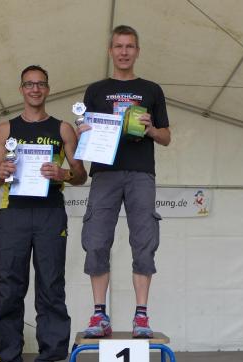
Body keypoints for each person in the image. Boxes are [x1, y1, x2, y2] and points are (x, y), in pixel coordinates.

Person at [0, 65, 88, 362]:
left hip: (49, 215)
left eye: (40, 84)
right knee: (9, 288)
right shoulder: (6, 128)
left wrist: (63, 174)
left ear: (47, 89)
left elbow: (81, 174)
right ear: (21, 89)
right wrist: (0, 171)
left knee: (51, 287)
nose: (35, 89)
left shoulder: (63, 129)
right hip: (12, 214)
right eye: (29, 84)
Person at [79, 25, 171, 339]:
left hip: (141, 173)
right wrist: (83, 133)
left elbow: (166, 137)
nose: (123, 52)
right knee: (96, 242)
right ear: (110, 51)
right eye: (118, 46)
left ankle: (141, 316)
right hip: (104, 173)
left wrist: (150, 129)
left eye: (129, 46)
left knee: (144, 243)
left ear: (137, 51)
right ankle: (99, 314)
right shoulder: (95, 90)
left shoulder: (152, 89)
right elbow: (85, 129)